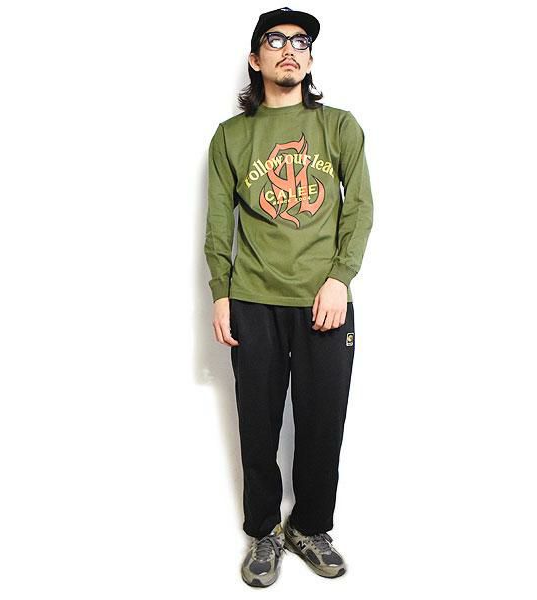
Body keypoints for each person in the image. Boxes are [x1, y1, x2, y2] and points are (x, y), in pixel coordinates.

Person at [204, 6, 374, 587]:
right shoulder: (231, 137)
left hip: (324, 300)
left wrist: (339, 278)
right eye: (275, 40)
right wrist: (221, 293)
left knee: (323, 421)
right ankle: (263, 532)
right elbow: (218, 224)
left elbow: (360, 208)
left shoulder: (339, 127)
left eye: (301, 42)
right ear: (255, 60)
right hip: (252, 299)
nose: (290, 50)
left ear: (310, 59)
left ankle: (310, 527)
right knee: (257, 423)